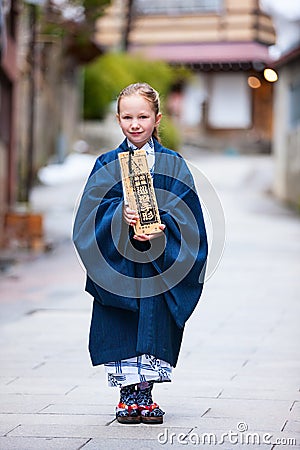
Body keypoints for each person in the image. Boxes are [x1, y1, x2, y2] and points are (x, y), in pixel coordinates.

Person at [73, 82, 208, 424]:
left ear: (157, 118)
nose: (135, 124)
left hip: (159, 266)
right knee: (121, 323)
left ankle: (145, 394)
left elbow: (188, 214)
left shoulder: (173, 164)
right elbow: (89, 216)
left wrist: (167, 227)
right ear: (118, 119)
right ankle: (125, 396)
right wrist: (119, 216)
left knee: (154, 323)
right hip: (118, 264)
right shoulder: (105, 163)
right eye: (127, 116)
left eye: (143, 116)